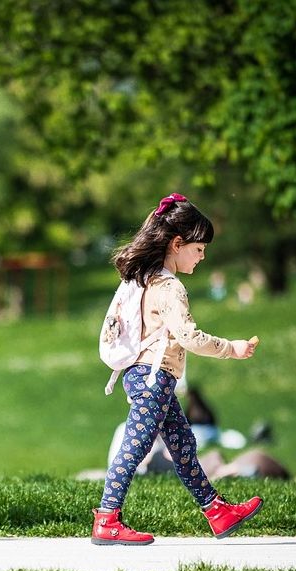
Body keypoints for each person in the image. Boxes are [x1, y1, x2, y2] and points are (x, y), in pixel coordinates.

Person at [92, 193, 263, 546]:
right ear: (177, 243)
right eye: (199, 249)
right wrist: (232, 348)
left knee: (183, 446)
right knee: (136, 444)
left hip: (150, 377)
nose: (202, 257)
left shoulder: (145, 278)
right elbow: (189, 336)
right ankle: (107, 518)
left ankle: (216, 511)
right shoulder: (169, 287)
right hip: (152, 379)